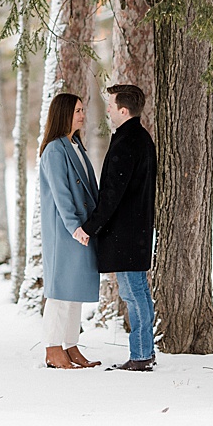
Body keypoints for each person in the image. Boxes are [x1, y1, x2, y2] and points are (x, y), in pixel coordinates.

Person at [76, 83, 158, 372]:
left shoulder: (128, 141)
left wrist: (90, 227)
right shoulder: (138, 138)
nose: (107, 109)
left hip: (127, 233)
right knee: (138, 292)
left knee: (134, 293)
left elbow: (112, 193)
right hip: (134, 231)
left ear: (124, 110)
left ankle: (141, 355)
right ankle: (145, 350)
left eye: (111, 105)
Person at [37, 92, 102, 369]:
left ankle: (70, 345)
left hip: (81, 228)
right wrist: (75, 226)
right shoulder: (54, 149)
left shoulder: (75, 145)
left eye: (82, 110)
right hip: (65, 231)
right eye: (77, 111)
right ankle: (53, 348)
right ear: (64, 113)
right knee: (60, 291)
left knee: (74, 290)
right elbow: (61, 193)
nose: (82, 115)